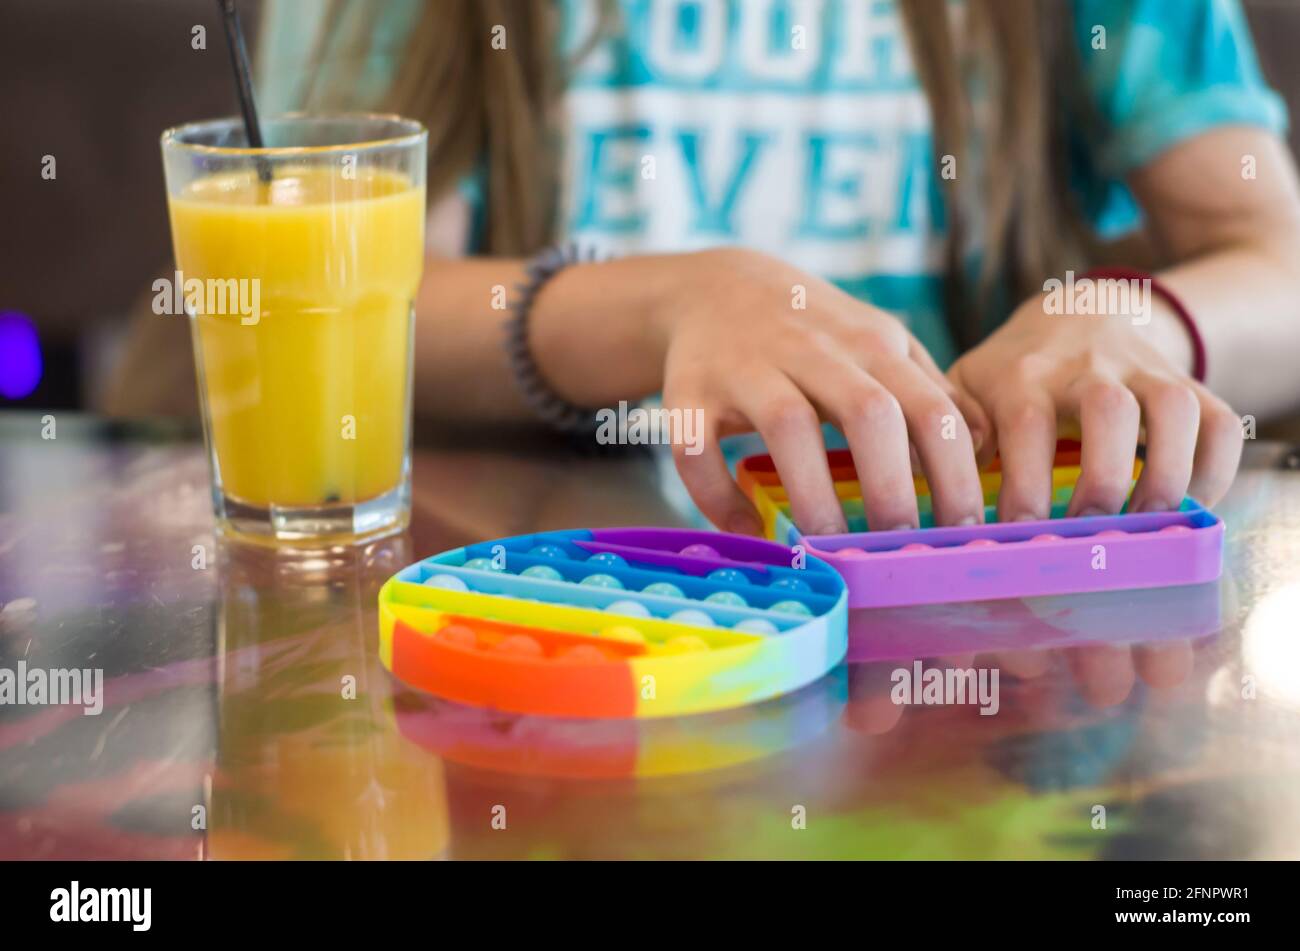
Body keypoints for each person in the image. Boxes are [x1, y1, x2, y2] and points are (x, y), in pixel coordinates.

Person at [107, 0, 1300, 536]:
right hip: (567, 626)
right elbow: (350, 312)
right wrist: (669, 303)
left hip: (983, 640)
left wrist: (1131, 319)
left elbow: (1276, 262)